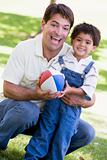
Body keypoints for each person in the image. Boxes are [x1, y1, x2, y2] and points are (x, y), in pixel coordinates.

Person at [0, 2, 95, 156]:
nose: (58, 32)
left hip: (48, 117)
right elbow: (8, 89)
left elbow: (91, 98)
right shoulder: (24, 48)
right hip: (16, 112)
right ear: (43, 24)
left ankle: (45, 155)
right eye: (54, 25)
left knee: (86, 132)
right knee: (28, 111)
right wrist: (36, 95)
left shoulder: (72, 55)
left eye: (65, 28)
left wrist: (77, 100)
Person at [24, 22, 101, 160]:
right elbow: (50, 74)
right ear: (72, 41)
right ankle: (32, 156)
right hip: (53, 104)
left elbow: (89, 89)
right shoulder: (62, 60)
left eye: (88, 42)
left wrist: (71, 90)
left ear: (93, 47)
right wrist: (44, 81)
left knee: (63, 136)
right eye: (79, 40)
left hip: (71, 111)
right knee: (45, 130)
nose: (82, 44)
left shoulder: (91, 67)